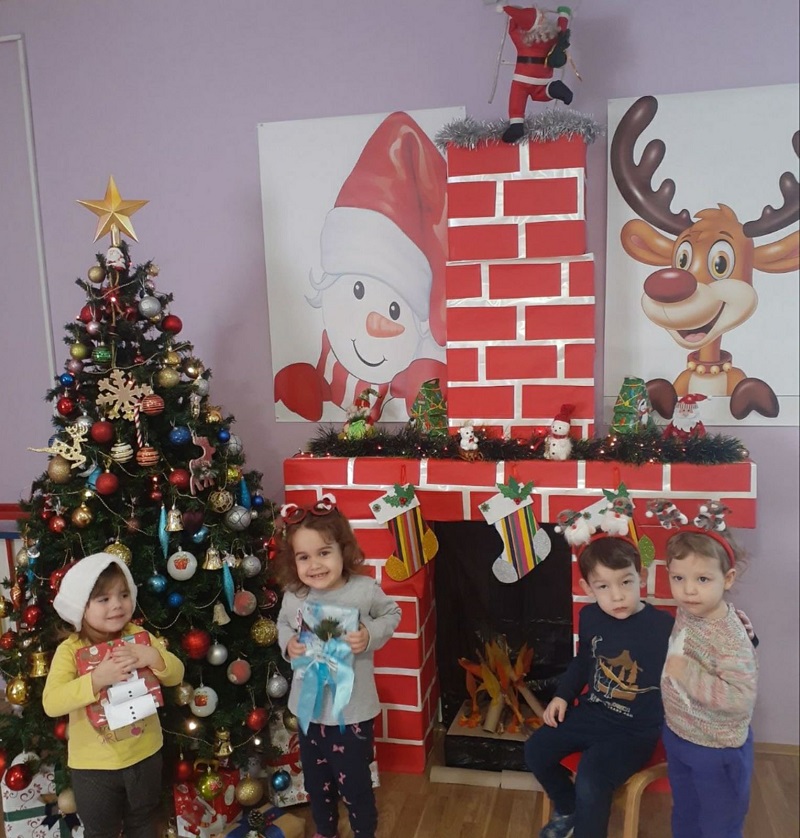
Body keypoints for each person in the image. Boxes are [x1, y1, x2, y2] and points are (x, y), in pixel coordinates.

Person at [525, 534, 674, 838]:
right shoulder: (591, 616)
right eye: (603, 586)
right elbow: (583, 661)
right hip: (592, 714)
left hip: (635, 731)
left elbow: (706, 649)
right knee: (536, 749)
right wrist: (562, 696)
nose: (617, 596)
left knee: (591, 777)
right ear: (587, 588)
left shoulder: (663, 626)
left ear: (642, 577)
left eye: (625, 582)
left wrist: (745, 636)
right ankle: (568, 808)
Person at [275, 495, 401, 838]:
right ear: (293, 561)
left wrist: (369, 634)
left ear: (343, 551)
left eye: (324, 553)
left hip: (352, 713)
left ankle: (364, 832)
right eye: (304, 557)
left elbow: (392, 613)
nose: (314, 565)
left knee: (356, 786)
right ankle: (326, 831)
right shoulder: (295, 595)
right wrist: (288, 643)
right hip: (308, 712)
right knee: (316, 786)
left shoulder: (364, 590)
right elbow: (283, 624)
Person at [42, 552, 184, 838]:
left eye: (123, 595)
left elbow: (176, 675)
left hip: (145, 755)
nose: (117, 604)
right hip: (93, 767)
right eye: (103, 599)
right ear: (81, 607)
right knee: (100, 831)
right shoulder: (70, 650)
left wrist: (153, 657)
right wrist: (96, 680)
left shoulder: (139, 636)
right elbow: (52, 702)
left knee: (144, 822)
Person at [662, 528, 758, 838]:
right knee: (685, 814)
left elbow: (740, 697)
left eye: (703, 579)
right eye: (678, 578)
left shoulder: (729, 636)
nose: (688, 590)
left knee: (719, 827)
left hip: (716, 750)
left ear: (727, 579)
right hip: (680, 734)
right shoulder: (691, 609)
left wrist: (688, 674)